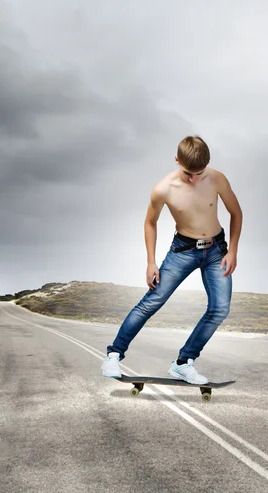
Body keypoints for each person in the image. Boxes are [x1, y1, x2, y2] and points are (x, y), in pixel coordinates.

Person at [101, 135, 243, 384]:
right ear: (177, 160)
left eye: (199, 173)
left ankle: (183, 363)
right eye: (188, 172)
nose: (193, 178)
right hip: (183, 250)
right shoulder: (163, 189)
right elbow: (150, 222)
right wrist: (150, 262)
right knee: (152, 302)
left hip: (217, 251)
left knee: (220, 309)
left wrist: (233, 250)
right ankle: (113, 354)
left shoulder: (217, 178)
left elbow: (236, 212)